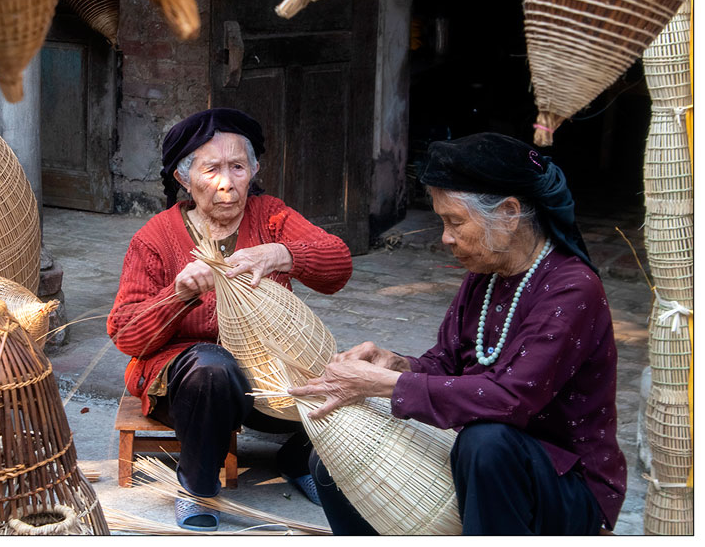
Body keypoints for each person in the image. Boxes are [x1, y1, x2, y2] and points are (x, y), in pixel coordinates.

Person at [289, 132, 626, 535]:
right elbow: (447, 362)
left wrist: (390, 385)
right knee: (337, 454)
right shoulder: (487, 273)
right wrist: (399, 364)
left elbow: (509, 399)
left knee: (487, 441)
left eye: (455, 222)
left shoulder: (573, 287)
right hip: (483, 464)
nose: (446, 237)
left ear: (509, 213)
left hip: (565, 484)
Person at [107, 107, 353, 530]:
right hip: (189, 382)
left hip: (266, 375)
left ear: (253, 170)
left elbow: (338, 267)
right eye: (211, 169)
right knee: (213, 368)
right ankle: (197, 488)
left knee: (347, 373)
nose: (227, 183)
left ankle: (296, 456)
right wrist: (178, 295)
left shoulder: (270, 216)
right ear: (184, 178)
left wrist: (282, 253)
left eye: (238, 167)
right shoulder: (156, 236)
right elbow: (126, 334)